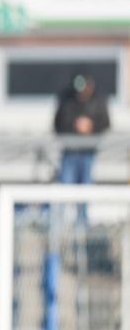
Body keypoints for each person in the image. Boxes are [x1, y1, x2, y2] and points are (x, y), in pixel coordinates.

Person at [54, 71, 110, 223]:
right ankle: (62, 229)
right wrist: (75, 125)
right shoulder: (67, 100)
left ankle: (83, 230)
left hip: (88, 154)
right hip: (69, 154)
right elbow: (58, 125)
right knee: (65, 193)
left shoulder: (98, 100)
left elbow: (105, 123)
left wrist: (91, 126)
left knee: (86, 193)